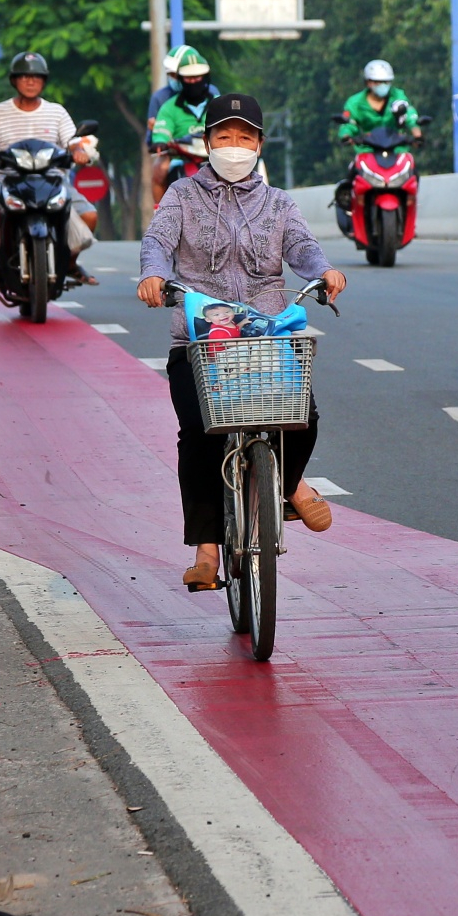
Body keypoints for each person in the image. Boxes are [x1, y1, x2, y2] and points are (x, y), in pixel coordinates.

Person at [137, 93, 349, 588]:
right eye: (224, 136)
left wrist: (324, 271)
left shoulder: (279, 203)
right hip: (199, 340)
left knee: (303, 416)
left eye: (245, 137)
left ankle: (290, 483)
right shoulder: (181, 196)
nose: (234, 146)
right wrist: (152, 275)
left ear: (259, 144)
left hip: (266, 336)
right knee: (197, 437)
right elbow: (158, 242)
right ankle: (207, 550)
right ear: (207, 141)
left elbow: (301, 245)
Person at [0, 51, 100, 292]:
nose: (30, 82)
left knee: (89, 215)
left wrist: (78, 150)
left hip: (53, 178)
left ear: (44, 81)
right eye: (24, 77)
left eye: (36, 77)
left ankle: (71, 263)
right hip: (9, 177)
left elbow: (72, 141)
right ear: (14, 81)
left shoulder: (56, 112)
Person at [334, 59, 422, 224]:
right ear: (368, 82)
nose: (382, 85)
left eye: (385, 82)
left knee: (414, 173)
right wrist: (346, 136)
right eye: (377, 82)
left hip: (397, 151)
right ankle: (350, 215)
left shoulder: (398, 96)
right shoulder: (355, 102)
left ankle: (409, 214)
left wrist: (417, 135)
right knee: (351, 176)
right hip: (366, 151)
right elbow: (348, 123)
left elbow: (410, 116)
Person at [148, 45, 220, 207]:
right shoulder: (167, 105)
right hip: (179, 154)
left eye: (198, 77)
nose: (193, 81)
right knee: (160, 169)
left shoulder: (218, 102)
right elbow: (162, 129)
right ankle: (160, 212)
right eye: (188, 78)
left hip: (214, 154)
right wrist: (160, 140)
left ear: (206, 77)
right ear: (180, 79)